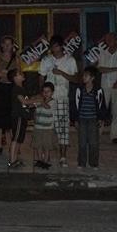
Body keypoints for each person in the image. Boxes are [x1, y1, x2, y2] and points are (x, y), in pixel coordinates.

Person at [38, 35, 78, 168]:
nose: (53, 49)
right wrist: (42, 95)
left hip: (62, 98)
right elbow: (41, 77)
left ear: (61, 46)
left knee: (63, 129)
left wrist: (61, 73)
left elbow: (75, 79)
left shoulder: (70, 60)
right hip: (49, 98)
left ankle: (63, 156)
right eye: (52, 46)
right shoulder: (46, 60)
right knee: (47, 128)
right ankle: (47, 156)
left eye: (55, 46)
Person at [73, 66, 108, 169]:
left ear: (92, 78)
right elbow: (75, 105)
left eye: (86, 76)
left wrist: (101, 119)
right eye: (83, 75)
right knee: (82, 142)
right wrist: (75, 119)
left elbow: (102, 105)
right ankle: (81, 162)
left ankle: (93, 163)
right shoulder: (79, 89)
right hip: (82, 119)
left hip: (93, 119)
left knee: (94, 143)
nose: (83, 77)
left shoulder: (98, 90)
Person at [0, 36, 21, 155]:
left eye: (10, 44)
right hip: (1, 88)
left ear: (13, 45)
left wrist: (6, 73)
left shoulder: (16, 58)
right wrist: (9, 74)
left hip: (12, 88)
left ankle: (13, 145)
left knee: (12, 116)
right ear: (2, 45)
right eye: (6, 44)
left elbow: (19, 73)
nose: (8, 46)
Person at [97, 33, 117, 144]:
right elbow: (100, 69)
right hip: (105, 84)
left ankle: (115, 135)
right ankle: (98, 132)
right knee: (101, 109)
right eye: (107, 39)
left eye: (110, 39)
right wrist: (114, 69)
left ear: (116, 41)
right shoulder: (103, 53)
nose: (108, 41)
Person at [7, 69, 33, 168]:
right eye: (19, 73)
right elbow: (24, 102)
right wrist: (37, 99)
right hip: (18, 116)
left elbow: (27, 104)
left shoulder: (22, 88)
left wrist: (33, 103)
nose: (22, 74)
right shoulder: (17, 88)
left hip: (23, 116)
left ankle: (15, 158)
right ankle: (12, 161)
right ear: (15, 78)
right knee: (16, 138)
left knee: (19, 138)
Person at [32, 82, 57, 170]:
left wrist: (40, 101)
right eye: (44, 91)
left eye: (48, 91)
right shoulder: (40, 101)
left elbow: (47, 107)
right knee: (38, 145)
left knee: (47, 146)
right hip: (38, 127)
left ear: (52, 92)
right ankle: (40, 160)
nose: (46, 93)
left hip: (48, 129)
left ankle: (45, 161)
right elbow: (35, 110)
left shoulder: (53, 102)